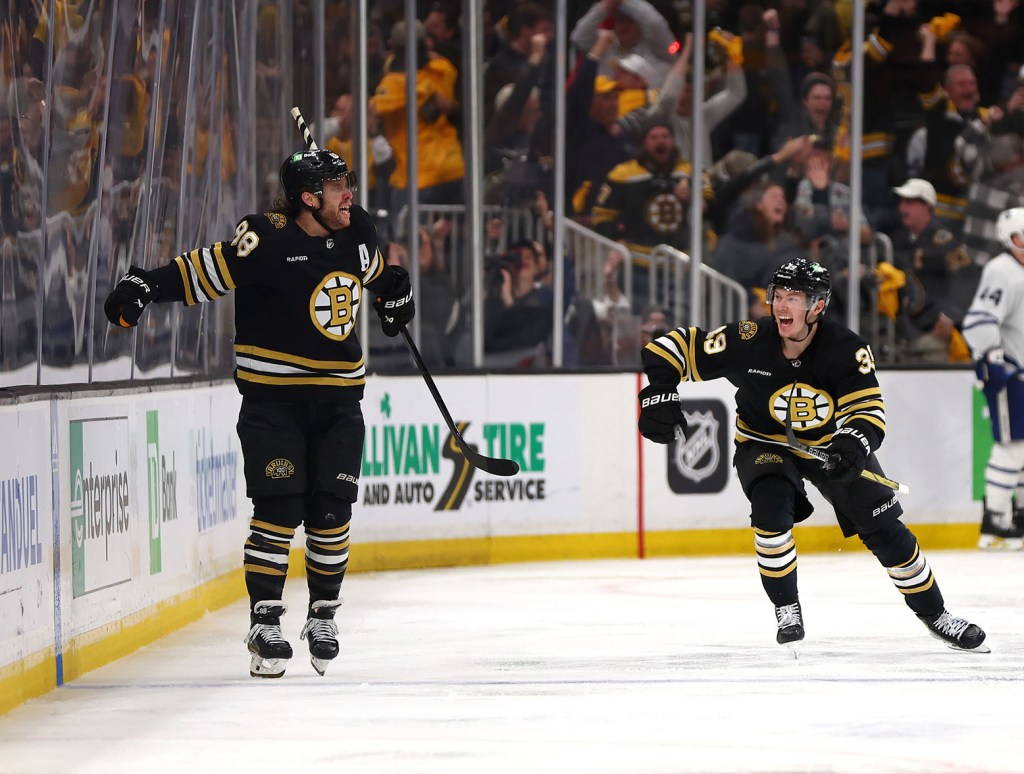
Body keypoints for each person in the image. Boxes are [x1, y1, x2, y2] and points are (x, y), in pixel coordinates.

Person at [102, 148, 415, 677]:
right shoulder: (266, 239)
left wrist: (395, 290)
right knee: (278, 510)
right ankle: (265, 621)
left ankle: (322, 614)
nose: (350, 195)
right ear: (308, 199)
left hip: (340, 402)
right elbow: (207, 270)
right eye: (338, 187)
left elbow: (376, 272)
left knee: (332, 513)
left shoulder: (358, 230)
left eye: (348, 184)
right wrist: (147, 285)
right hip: (274, 403)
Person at [637, 257, 988, 653]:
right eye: (779, 296)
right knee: (770, 512)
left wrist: (852, 443)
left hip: (829, 448)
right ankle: (787, 608)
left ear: (818, 306)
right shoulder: (748, 338)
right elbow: (667, 347)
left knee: (888, 534)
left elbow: (869, 412)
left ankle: (937, 615)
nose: (782, 306)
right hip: (763, 443)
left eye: (795, 298)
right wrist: (660, 392)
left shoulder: (846, 348)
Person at [961, 206, 1024, 550]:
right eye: (1020, 237)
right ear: (1008, 239)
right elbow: (979, 321)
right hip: (1011, 373)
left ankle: (1016, 517)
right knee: (1012, 448)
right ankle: (996, 522)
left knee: (1022, 449)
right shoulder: (1002, 271)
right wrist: (993, 357)